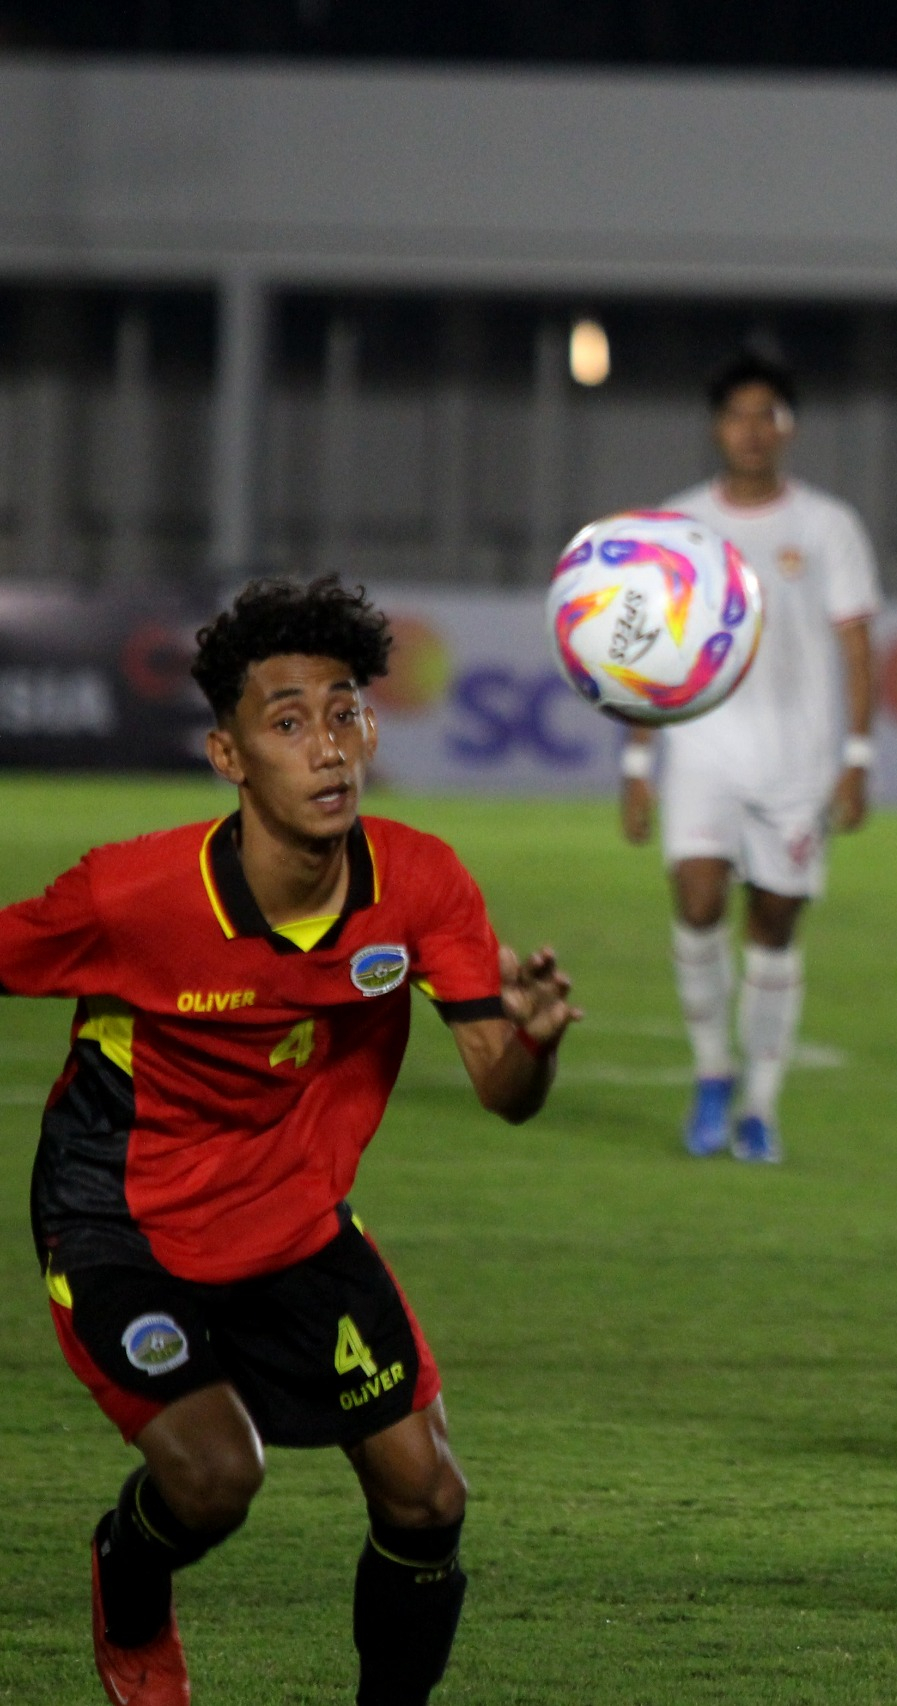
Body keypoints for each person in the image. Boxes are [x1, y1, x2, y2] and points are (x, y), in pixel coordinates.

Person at [8, 577, 580, 1706]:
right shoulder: (132, 895)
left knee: (428, 1496)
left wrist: (536, 1043)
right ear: (227, 755)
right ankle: (130, 1576)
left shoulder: (419, 882)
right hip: (122, 1218)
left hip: (291, 1220)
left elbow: (505, 1093)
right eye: (286, 721)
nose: (326, 747)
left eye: (344, 712)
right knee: (216, 1477)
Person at [620, 350, 882, 1164]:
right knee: (698, 900)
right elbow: (646, 651)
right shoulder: (679, 524)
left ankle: (761, 1107)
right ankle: (712, 1073)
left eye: (766, 415)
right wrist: (637, 764)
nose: (751, 430)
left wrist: (857, 756)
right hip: (702, 750)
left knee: (774, 923)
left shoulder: (827, 526)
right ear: (717, 428)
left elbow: (857, 645)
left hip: (797, 762)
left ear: (787, 428)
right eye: (737, 415)